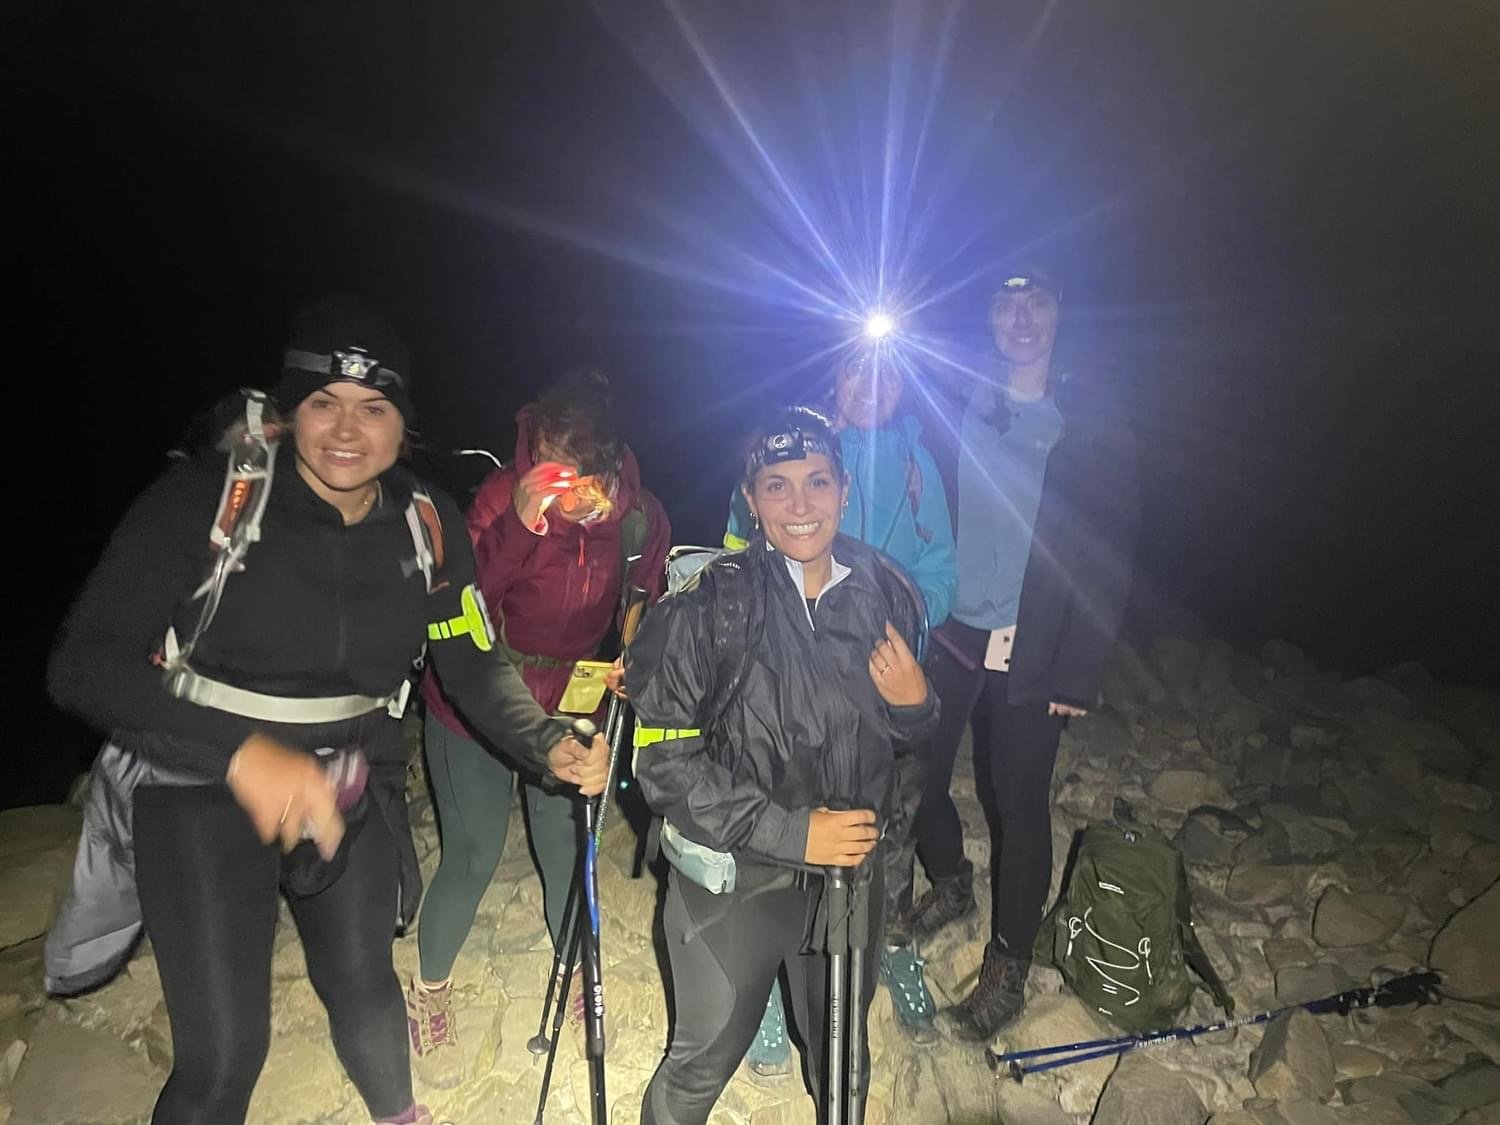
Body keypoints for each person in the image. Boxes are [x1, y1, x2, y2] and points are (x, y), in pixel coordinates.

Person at [45, 297, 610, 1125]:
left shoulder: (427, 524)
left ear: (403, 423)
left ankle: (397, 1116)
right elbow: (83, 663)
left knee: (364, 981)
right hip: (198, 780)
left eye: (374, 407)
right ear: (290, 409)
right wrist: (243, 753)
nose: (347, 430)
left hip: (350, 782)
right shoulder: (206, 499)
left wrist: (546, 740)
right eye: (323, 402)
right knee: (225, 1053)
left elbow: (469, 657)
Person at [628, 405, 937, 1125]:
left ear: (844, 490)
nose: (800, 505)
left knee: (843, 1065)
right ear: (751, 498)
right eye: (777, 485)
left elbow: (904, 751)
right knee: (701, 1064)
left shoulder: (884, 593)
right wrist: (795, 833)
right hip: (735, 876)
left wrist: (919, 707)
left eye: (817, 481)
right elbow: (664, 766)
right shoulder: (707, 608)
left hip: (849, 879)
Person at [408, 369, 670, 1087]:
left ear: (610, 465)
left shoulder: (640, 518)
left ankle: (575, 972)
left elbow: (644, 602)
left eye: (580, 478)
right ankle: (428, 990)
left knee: (567, 850)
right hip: (477, 700)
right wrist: (520, 528)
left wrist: (635, 662)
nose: (566, 494)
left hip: (567, 700)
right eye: (550, 470)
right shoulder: (502, 499)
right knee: (473, 853)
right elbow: (455, 606)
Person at [907, 265, 1140, 1041]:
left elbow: (1109, 549)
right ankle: (950, 880)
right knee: (915, 773)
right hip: (950, 624)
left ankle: (1009, 963)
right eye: (1007, 304)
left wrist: (1078, 664)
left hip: (1031, 635)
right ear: (988, 315)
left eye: (1037, 301)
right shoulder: (956, 398)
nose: (1022, 318)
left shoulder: (1090, 420)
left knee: (1018, 799)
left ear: (1059, 310)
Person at [724, 345, 956, 1064]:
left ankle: (891, 943)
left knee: (893, 825)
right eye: (858, 369)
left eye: (887, 372)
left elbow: (941, 571)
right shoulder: (791, 447)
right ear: (837, 376)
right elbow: (734, 558)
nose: (871, 385)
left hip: (883, 679)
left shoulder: (918, 464)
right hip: (790, 677)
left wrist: (905, 632)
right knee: (785, 815)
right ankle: (766, 977)